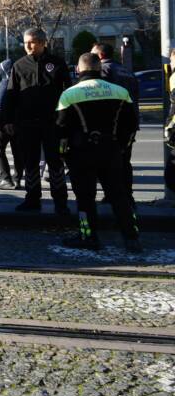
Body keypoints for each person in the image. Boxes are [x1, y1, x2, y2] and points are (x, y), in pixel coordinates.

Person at [56, 52, 140, 252]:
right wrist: (121, 148)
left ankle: (88, 236)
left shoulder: (69, 94)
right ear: (100, 68)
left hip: (81, 153)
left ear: (78, 69)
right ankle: (132, 237)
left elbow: (61, 131)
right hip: (111, 150)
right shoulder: (120, 91)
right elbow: (130, 125)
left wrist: (63, 156)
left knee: (85, 197)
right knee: (119, 195)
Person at [0, 28, 71, 214]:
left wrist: (65, 119)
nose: (28, 46)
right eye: (25, 42)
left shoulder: (57, 63)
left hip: (52, 122)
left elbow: (67, 91)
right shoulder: (19, 65)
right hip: (27, 123)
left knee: (55, 162)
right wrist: (6, 119)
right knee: (30, 162)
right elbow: (11, 94)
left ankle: (60, 201)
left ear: (42, 42)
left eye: (32, 42)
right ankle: (32, 198)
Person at [92, 42, 139, 199]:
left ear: (100, 56)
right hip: (130, 121)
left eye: (93, 54)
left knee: (109, 162)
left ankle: (114, 196)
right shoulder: (125, 70)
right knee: (125, 161)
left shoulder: (104, 70)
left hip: (113, 124)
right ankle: (127, 195)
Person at [0, 60, 23, 190]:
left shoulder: (4, 83)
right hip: (19, 123)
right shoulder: (20, 82)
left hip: (4, 124)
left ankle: (5, 179)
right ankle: (17, 179)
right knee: (18, 152)